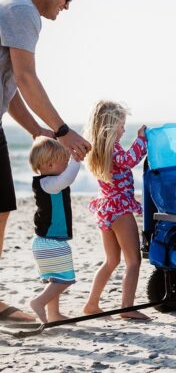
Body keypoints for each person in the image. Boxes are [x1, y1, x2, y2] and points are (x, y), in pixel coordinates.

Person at [0, 0, 91, 322]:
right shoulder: (24, 12)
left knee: (3, 209)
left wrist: (37, 130)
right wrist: (64, 131)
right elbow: (26, 78)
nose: (66, 6)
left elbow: (10, 89)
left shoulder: (15, 11)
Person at [83, 101, 149, 320]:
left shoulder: (100, 148)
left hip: (106, 208)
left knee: (111, 261)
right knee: (133, 261)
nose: (123, 129)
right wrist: (142, 139)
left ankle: (92, 304)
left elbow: (124, 160)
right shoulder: (113, 148)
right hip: (120, 208)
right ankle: (127, 307)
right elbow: (130, 160)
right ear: (111, 126)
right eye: (121, 125)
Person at [28, 136, 80, 323]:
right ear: (49, 165)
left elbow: (65, 178)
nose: (67, 166)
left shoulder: (47, 182)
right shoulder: (49, 183)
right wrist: (77, 159)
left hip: (45, 241)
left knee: (54, 278)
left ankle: (54, 314)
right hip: (50, 242)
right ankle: (39, 302)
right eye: (64, 163)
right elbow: (69, 177)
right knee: (64, 280)